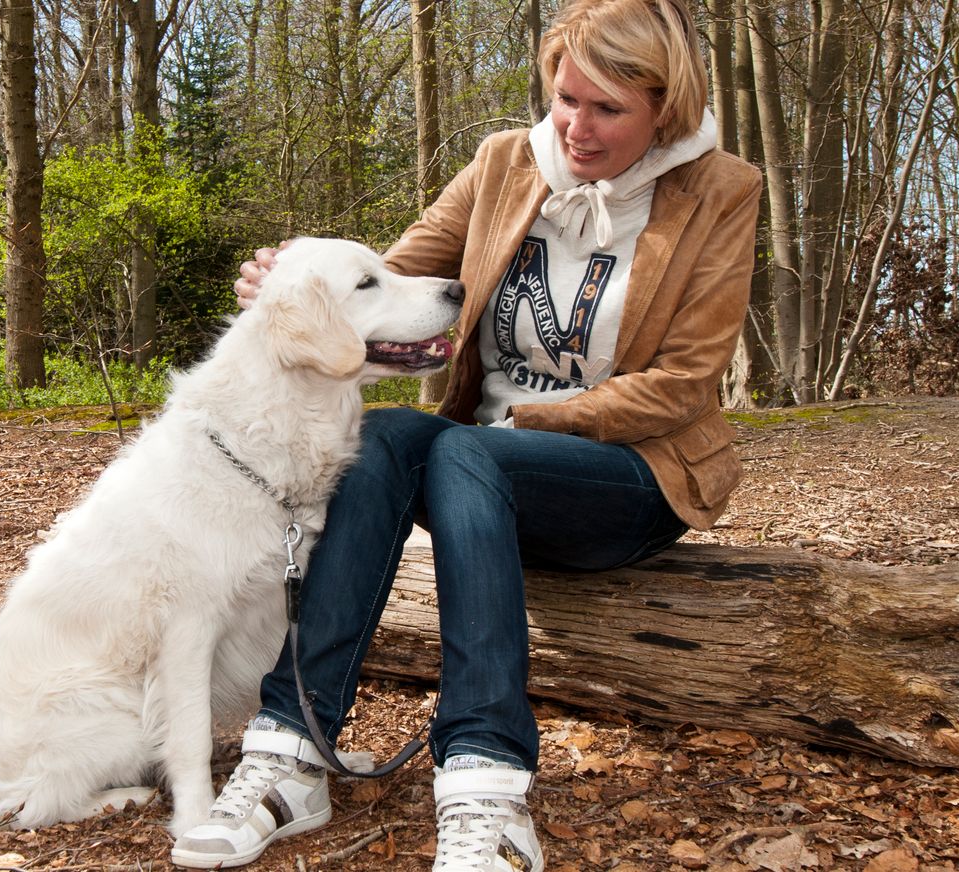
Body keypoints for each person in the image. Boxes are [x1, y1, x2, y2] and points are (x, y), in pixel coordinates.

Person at [171, 0, 761, 868]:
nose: (576, 127)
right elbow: (395, 281)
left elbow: (681, 385)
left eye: (608, 109)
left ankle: (487, 782)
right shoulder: (505, 166)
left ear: (664, 110)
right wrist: (298, 282)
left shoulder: (722, 192)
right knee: (385, 439)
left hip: (628, 475)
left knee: (461, 447)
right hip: (474, 474)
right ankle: (291, 753)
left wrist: (521, 419)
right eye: (566, 98)